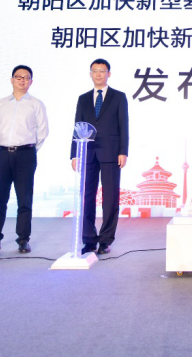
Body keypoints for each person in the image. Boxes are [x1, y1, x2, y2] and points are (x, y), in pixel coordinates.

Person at [0, 65, 49, 255]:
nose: (22, 80)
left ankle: (23, 239)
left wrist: (29, 149)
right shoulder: (0, 104)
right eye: (18, 77)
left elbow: (42, 131)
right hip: (2, 154)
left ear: (31, 81)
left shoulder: (36, 104)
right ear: (12, 80)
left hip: (26, 155)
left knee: (24, 199)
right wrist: (5, 143)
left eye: (26, 77)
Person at [71, 59, 129, 256]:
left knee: (110, 198)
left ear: (108, 74)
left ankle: (105, 240)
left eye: (102, 71)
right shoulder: (83, 99)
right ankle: (88, 240)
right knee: (87, 197)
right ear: (90, 74)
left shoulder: (118, 97)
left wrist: (123, 151)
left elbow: (124, 126)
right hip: (87, 152)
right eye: (94, 71)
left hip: (111, 152)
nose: (98, 74)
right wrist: (74, 154)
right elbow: (77, 126)